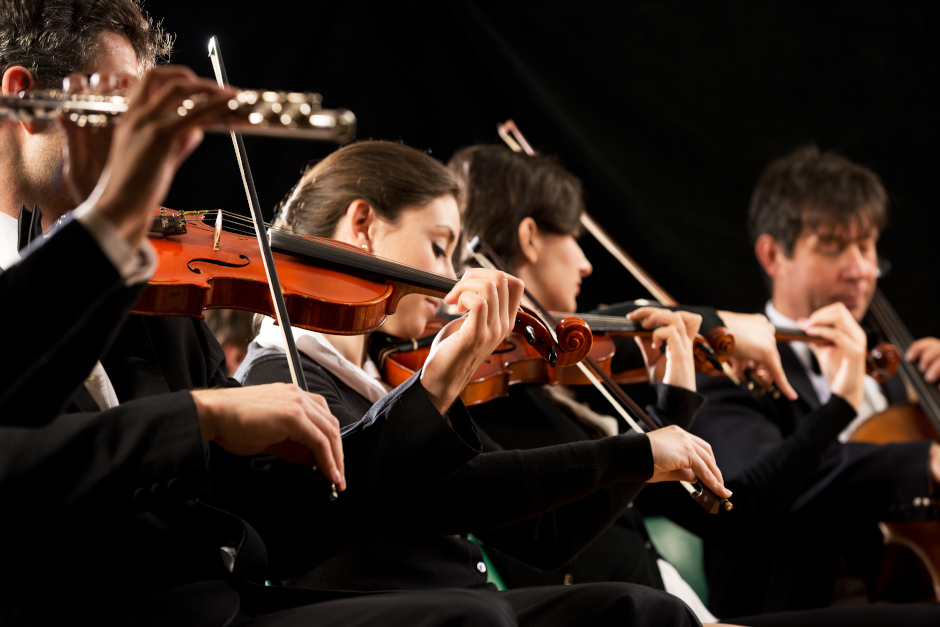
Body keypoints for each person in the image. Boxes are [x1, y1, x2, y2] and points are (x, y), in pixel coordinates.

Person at [0, 2, 536, 626]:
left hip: (221, 603)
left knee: (627, 611)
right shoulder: (86, 271)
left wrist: (435, 385)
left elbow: (280, 523)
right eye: (122, 105)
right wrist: (199, 416)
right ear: (25, 100)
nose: (141, 136)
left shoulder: (152, 295)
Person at [236, 139, 733, 627]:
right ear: (362, 224)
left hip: (478, 610)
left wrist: (668, 421)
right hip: (442, 618)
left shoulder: (383, 379)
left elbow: (547, 533)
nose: (451, 277)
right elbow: (452, 495)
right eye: (438, 245)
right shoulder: (279, 378)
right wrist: (634, 453)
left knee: (646, 609)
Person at [451, 143, 940, 627]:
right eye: (576, 237)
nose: (586, 263)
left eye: (868, 246)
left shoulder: (565, 402)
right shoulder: (489, 398)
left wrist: (673, 407)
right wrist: (719, 330)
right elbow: (732, 510)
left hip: (671, 607)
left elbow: (706, 503)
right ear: (531, 239)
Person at [691, 145, 940, 616]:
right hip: (794, 608)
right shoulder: (725, 364)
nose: (861, 270)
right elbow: (757, 487)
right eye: (833, 247)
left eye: (866, 246)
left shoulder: (891, 372)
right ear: (772, 254)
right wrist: (923, 459)